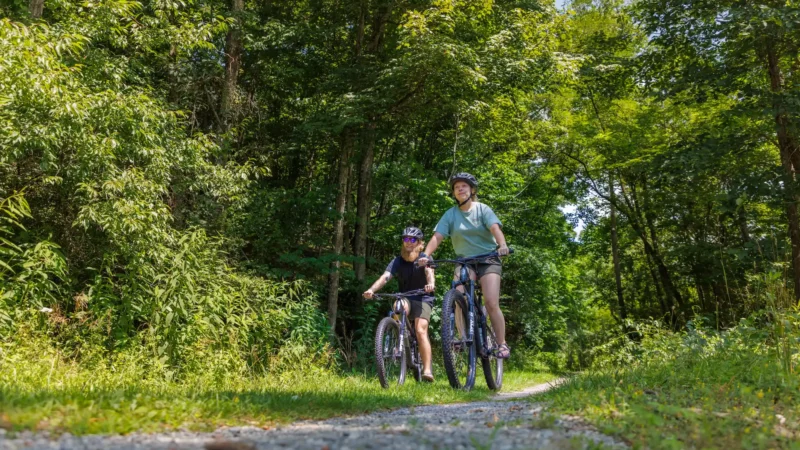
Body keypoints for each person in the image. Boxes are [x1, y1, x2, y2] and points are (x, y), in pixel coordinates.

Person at [417, 172, 511, 359]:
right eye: (456, 187)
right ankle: (461, 337)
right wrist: (426, 255)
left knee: (491, 303)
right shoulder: (450, 214)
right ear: (453, 192)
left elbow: (495, 228)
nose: (460, 189)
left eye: (464, 186)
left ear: (472, 190)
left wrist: (502, 246)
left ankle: (502, 344)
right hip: (465, 260)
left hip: (488, 258)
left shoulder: (482, 209)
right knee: (459, 296)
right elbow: (438, 237)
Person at [363, 226, 436, 381]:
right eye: (405, 239)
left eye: (412, 239)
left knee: (421, 330)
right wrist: (371, 290)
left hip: (423, 298)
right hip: (406, 297)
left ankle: (427, 370)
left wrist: (430, 284)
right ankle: (400, 336)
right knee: (397, 306)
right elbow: (385, 277)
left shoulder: (424, 257)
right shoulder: (397, 261)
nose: (408, 242)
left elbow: (430, 273)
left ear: (419, 243)